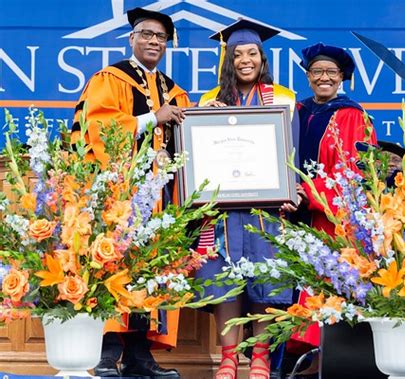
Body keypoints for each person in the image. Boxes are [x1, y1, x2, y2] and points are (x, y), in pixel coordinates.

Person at [71, 7, 189, 378]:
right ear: (132, 38)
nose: (154, 41)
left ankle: (139, 355)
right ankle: (106, 353)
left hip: (161, 200)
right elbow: (99, 129)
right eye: (147, 34)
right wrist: (156, 117)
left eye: (161, 37)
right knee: (113, 265)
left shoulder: (174, 91)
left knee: (151, 271)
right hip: (119, 196)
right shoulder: (111, 78)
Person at [194, 19, 298, 379]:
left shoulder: (284, 98)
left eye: (251, 53)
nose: (245, 60)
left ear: (262, 56)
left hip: (266, 207)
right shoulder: (209, 101)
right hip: (222, 209)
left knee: (265, 280)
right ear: (228, 60)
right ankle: (228, 359)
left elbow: (292, 152)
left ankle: (260, 358)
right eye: (237, 55)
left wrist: (290, 187)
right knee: (225, 283)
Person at [282, 42, 377, 374]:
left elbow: (354, 174)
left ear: (342, 77)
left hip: (327, 220)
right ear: (308, 77)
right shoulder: (296, 110)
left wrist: (308, 192)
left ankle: (324, 358)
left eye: (331, 72)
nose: (324, 78)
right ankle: (298, 359)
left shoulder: (352, 115)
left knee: (325, 282)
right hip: (291, 214)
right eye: (317, 72)